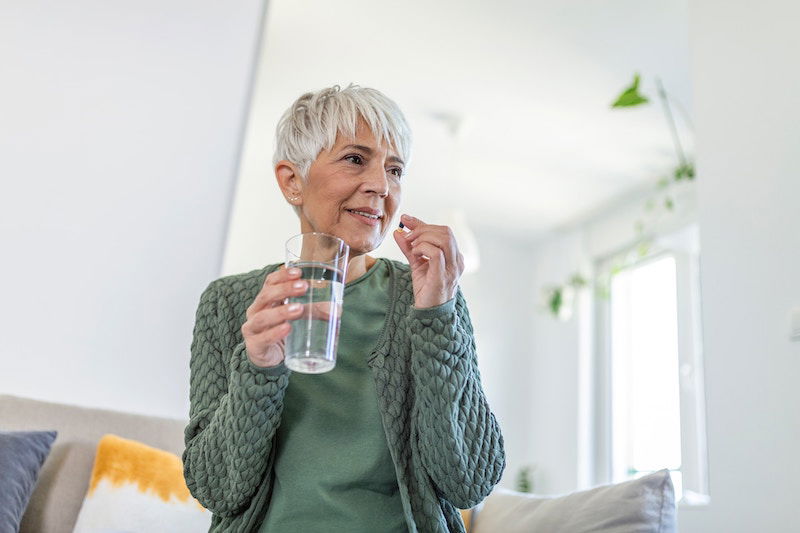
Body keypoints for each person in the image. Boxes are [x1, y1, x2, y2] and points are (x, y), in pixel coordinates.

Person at [182, 85, 505, 533]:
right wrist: (258, 369)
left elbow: (470, 481)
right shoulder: (228, 302)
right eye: (355, 159)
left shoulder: (430, 294)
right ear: (292, 181)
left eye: (395, 170)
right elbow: (215, 489)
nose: (381, 186)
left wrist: (438, 318)